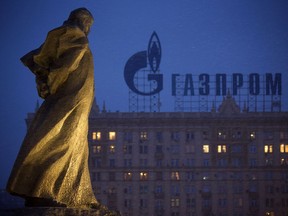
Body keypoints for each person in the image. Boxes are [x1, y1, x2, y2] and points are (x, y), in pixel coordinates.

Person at [6, 8, 118, 215]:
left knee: (75, 149)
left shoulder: (71, 37)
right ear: (83, 22)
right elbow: (64, 68)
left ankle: (76, 194)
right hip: (71, 101)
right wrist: (50, 82)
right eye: (89, 25)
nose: (89, 30)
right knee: (60, 143)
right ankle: (41, 191)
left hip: (78, 102)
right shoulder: (76, 38)